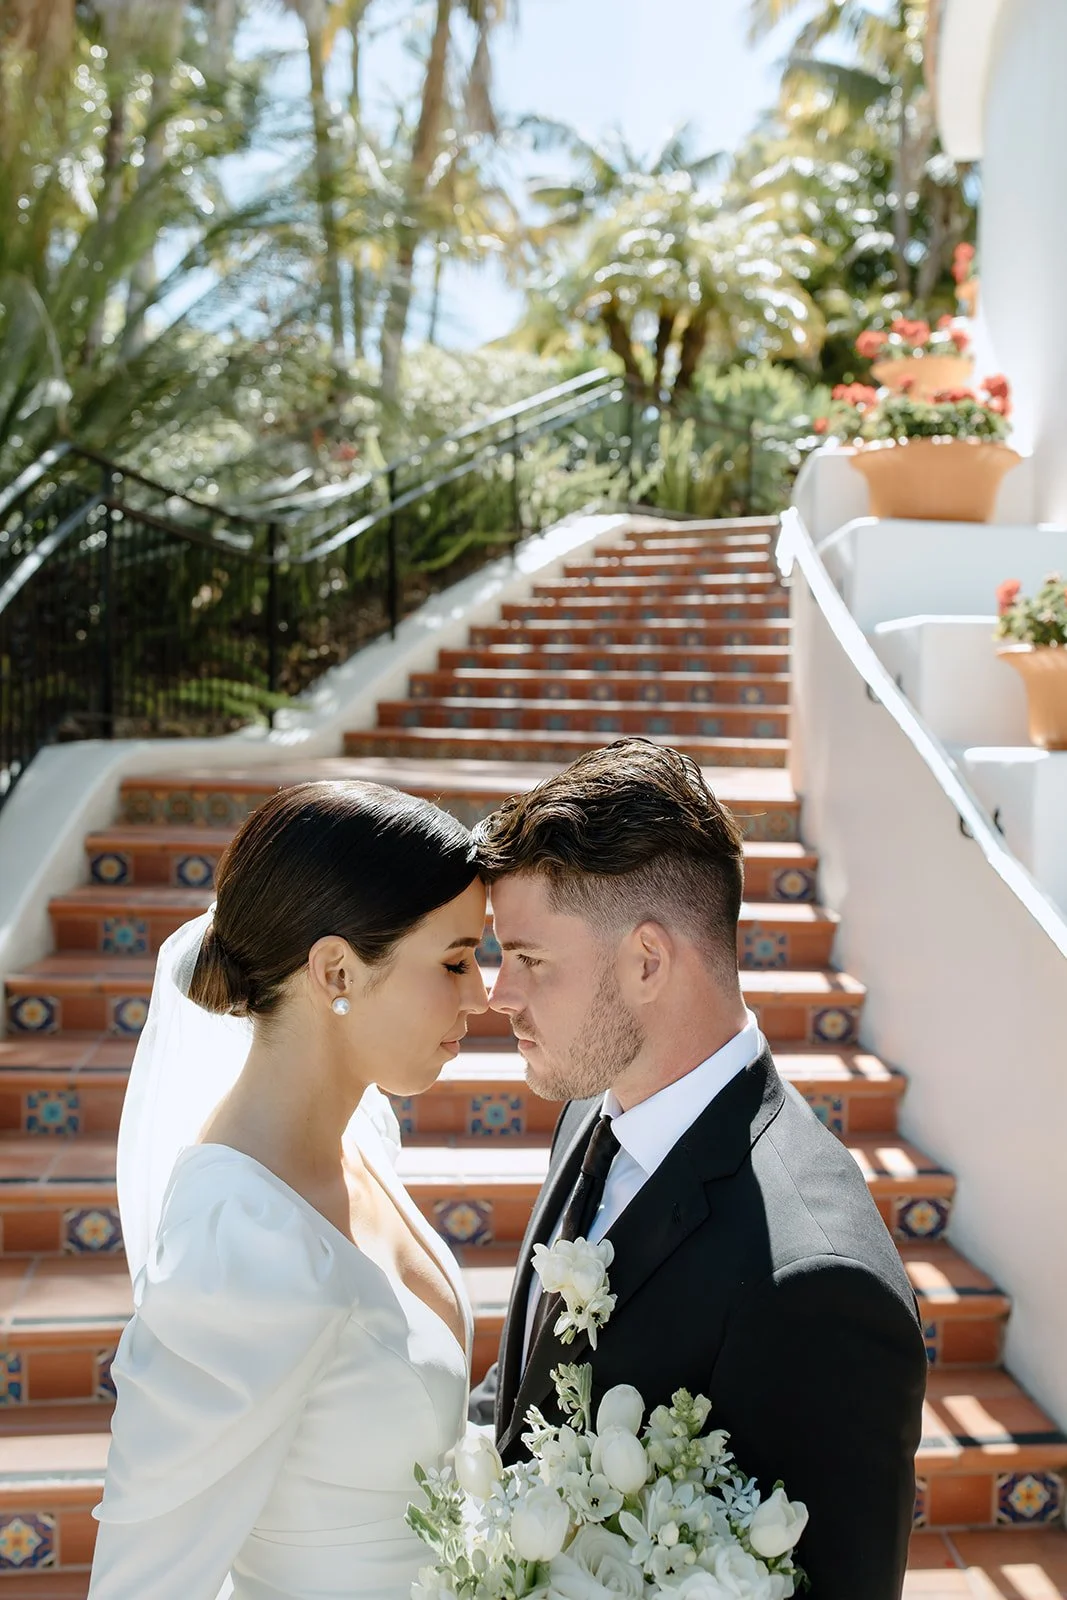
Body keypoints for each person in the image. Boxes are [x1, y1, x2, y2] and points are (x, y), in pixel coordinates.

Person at [469, 739, 928, 1600]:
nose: (499, 995)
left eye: (528, 959)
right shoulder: (588, 1112)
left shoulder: (817, 1282)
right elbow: (533, 1383)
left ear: (646, 961)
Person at [88, 780, 490, 1600]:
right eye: (453, 961)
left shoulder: (358, 1137)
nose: (480, 994)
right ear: (335, 967)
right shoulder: (238, 1242)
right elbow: (144, 1582)